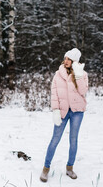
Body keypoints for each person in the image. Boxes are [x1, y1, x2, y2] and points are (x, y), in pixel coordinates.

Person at [40, 48, 89, 183]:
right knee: (55, 139)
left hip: (77, 111)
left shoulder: (83, 74)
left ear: (75, 62)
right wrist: (55, 110)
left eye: (69, 59)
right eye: (65, 58)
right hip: (62, 111)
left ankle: (69, 168)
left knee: (73, 140)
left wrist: (78, 76)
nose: (66, 61)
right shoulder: (58, 75)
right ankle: (46, 168)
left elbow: (83, 91)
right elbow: (54, 94)